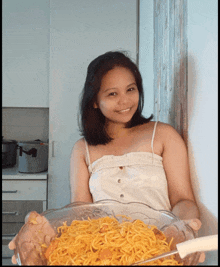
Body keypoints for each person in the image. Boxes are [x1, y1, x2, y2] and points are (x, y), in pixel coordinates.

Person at [9, 51, 205, 265]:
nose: (125, 101)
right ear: (94, 100)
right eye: (112, 94)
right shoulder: (81, 149)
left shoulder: (164, 135)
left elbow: (184, 200)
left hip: (157, 251)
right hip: (100, 255)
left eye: (131, 89)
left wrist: (182, 228)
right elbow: (80, 210)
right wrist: (46, 227)